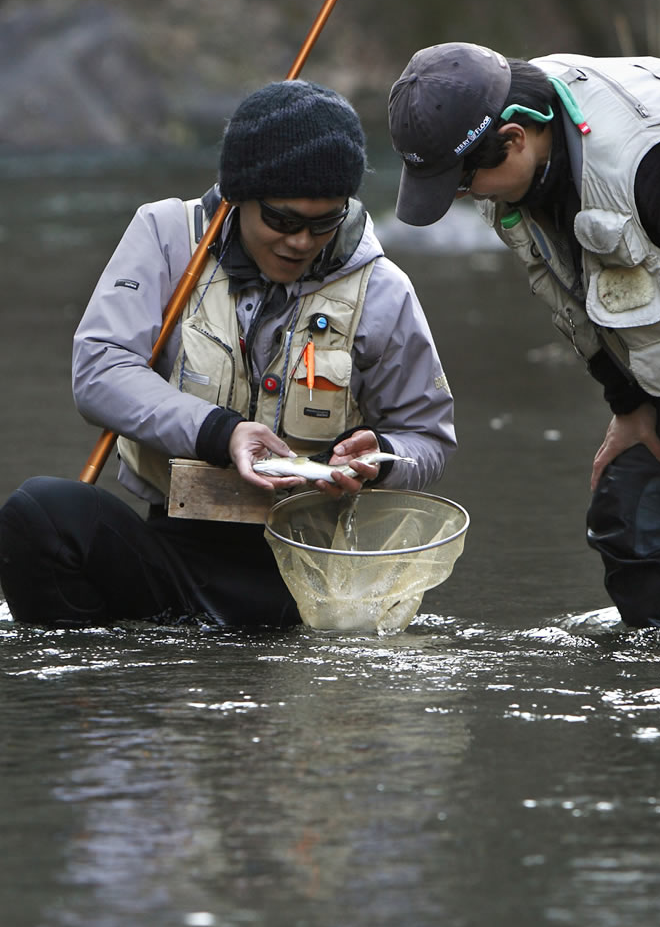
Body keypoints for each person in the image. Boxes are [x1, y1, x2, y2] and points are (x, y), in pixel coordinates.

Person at [0, 79, 455, 629]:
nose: (301, 242)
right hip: (172, 546)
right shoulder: (167, 236)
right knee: (39, 515)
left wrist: (377, 457)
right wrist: (221, 432)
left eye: (323, 223)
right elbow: (100, 370)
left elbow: (425, 438)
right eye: (283, 221)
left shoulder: (383, 289)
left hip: (307, 576)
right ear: (239, 196)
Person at [388, 41, 660, 647]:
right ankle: (654, 689)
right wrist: (630, 406)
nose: (467, 197)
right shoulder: (523, 162)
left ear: (515, 140)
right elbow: (574, 296)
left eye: (464, 182)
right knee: (627, 515)